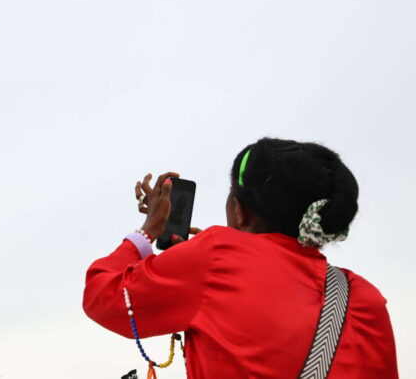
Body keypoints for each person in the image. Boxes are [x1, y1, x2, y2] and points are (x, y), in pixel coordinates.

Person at [83, 138, 398, 378]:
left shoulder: (216, 256)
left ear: (239, 210)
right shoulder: (366, 298)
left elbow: (103, 296)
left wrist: (148, 231)